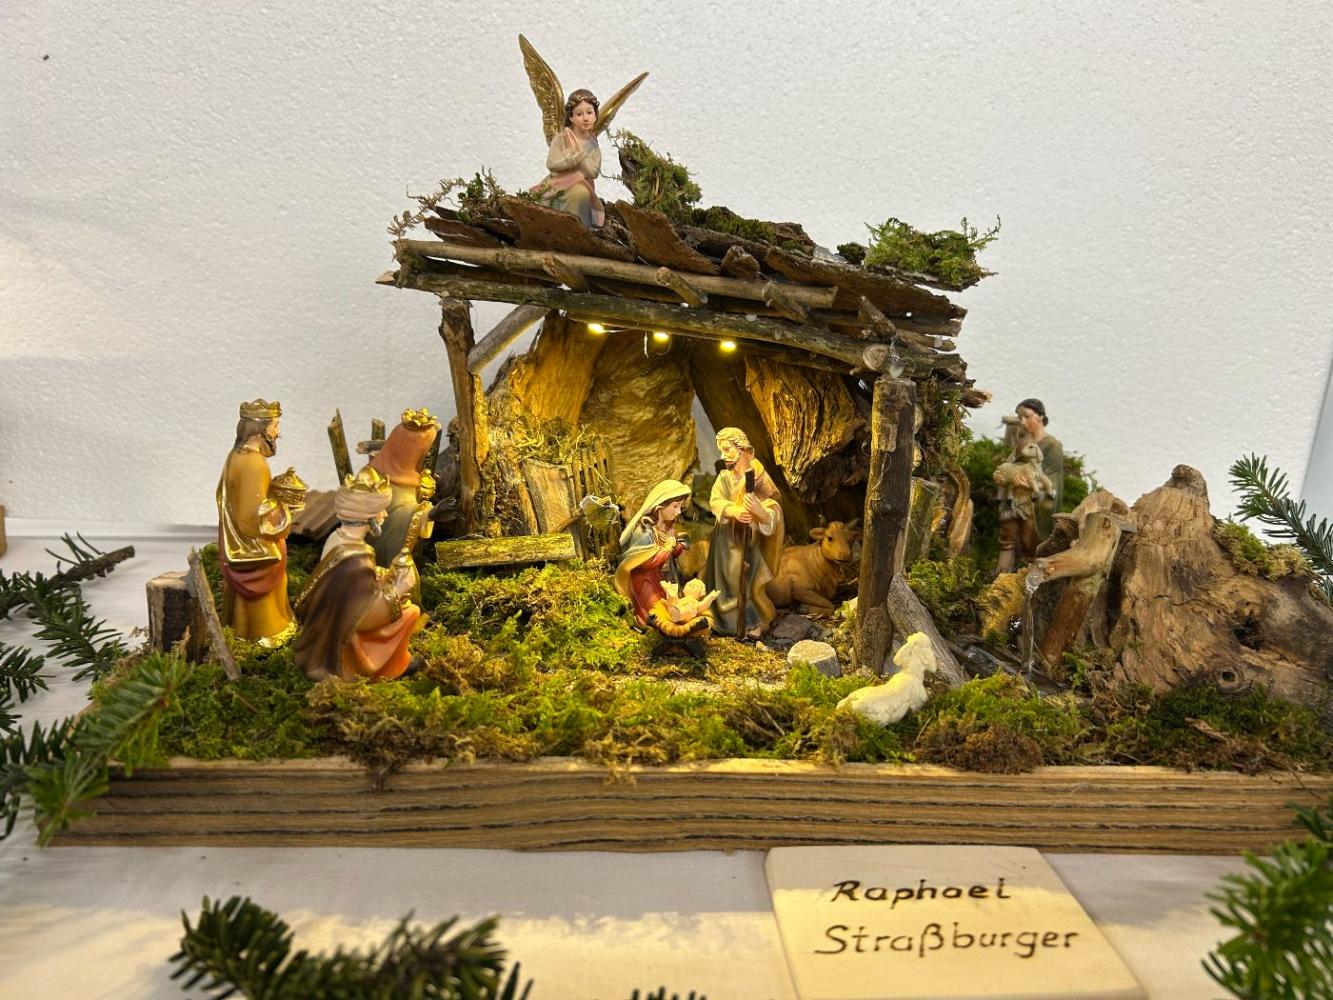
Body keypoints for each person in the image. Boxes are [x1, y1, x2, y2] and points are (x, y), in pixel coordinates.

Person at [294, 467, 423, 683]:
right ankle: (387, 668)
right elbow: (367, 616)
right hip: (345, 635)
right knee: (410, 612)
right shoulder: (357, 560)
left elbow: (352, 589)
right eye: (381, 511)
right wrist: (399, 589)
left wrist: (380, 575)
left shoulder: (337, 539)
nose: (385, 515)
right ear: (369, 517)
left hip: (331, 623)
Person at [216, 398, 296, 646]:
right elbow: (253, 517)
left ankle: (241, 627)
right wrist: (284, 509)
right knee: (279, 553)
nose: (278, 432)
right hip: (250, 541)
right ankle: (267, 630)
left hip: (236, 539)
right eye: (275, 426)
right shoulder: (254, 463)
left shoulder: (236, 455)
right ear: (260, 429)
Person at [705, 428, 785, 639]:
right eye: (721, 450)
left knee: (748, 578)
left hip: (750, 541)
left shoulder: (760, 478)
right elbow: (715, 501)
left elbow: (774, 508)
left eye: (727, 449)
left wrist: (760, 511)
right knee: (728, 578)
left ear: (742, 449)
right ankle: (726, 620)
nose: (723, 456)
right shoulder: (724, 478)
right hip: (726, 540)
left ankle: (750, 621)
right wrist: (733, 511)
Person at [368, 407, 440, 572]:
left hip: (405, 556)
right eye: (424, 450)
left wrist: (427, 511)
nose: (427, 454)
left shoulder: (421, 478)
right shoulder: (371, 476)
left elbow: (414, 511)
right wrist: (425, 513)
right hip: (375, 553)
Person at [615, 479, 692, 627]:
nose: (678, 512)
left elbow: (671, 556)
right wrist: (667, 548)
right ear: (659, 507)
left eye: (680, 507)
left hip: (664, 578)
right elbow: (645, 562)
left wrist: (677, 546)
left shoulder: (668, 527)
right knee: (657, 611)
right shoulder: (645, 531)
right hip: (646, 581)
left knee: (674, 607)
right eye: (675, 506)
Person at [531, 89, 605, 227]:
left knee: (581, 193)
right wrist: (572, 159)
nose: (585, 118)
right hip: (557, 183)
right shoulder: (561, 138)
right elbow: (551, 164)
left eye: (589, 112)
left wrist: (580, 158)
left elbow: (593, 172)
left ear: (596, 115)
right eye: (579, 114)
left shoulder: (593, 144)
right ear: (571, 118)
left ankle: (578, 229)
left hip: (582, 184)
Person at [1002, 397, 1064, 538]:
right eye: (1020, 418)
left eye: (1027, 416)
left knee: (1028, 533)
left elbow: (1052, 480)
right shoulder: (1023, 442)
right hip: (1016, 493)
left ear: (1040, 417)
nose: (1023, 422)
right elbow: (1009, 463)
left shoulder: (1053, 445)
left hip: (1038, 497)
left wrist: (1027, 484)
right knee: (1008, 530)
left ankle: (1034, 546)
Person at [994, 442, 1054, 574]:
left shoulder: (1037, 471)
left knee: (1028, 537)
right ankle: (1003, 569)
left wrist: (1028, 486)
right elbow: (1000, 479)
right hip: (1009, 506)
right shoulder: (1009, 467)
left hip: (1027, 507)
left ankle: (1030, 567)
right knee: (1007, 534)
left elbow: (1045, 485)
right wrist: (1004, 481)